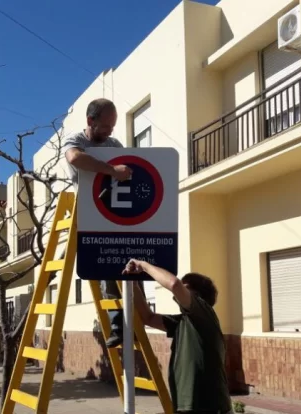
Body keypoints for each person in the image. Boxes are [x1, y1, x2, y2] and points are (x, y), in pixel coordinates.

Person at [61, 97, 137, 348]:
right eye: (105, 126)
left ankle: (131, 320)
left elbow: (129, 167)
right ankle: (115, 322)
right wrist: (112, 170)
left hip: (117, 210)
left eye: (113, 126)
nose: (110, 131)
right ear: (90, 120)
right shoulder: (76, 140)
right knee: (105, 265)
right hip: (89, 212)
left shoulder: (114, 144)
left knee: (127, 264)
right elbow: (75, 159)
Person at [122, 259, 232, 414]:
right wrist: (132, 282)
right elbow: (148, 317)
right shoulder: (183, 322)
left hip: (209, 406)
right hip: (188, 406)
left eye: (186, 287)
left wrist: (144, 266)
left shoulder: (204, 314)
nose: (177, 295)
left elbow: (174, 284)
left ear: (197, 295)